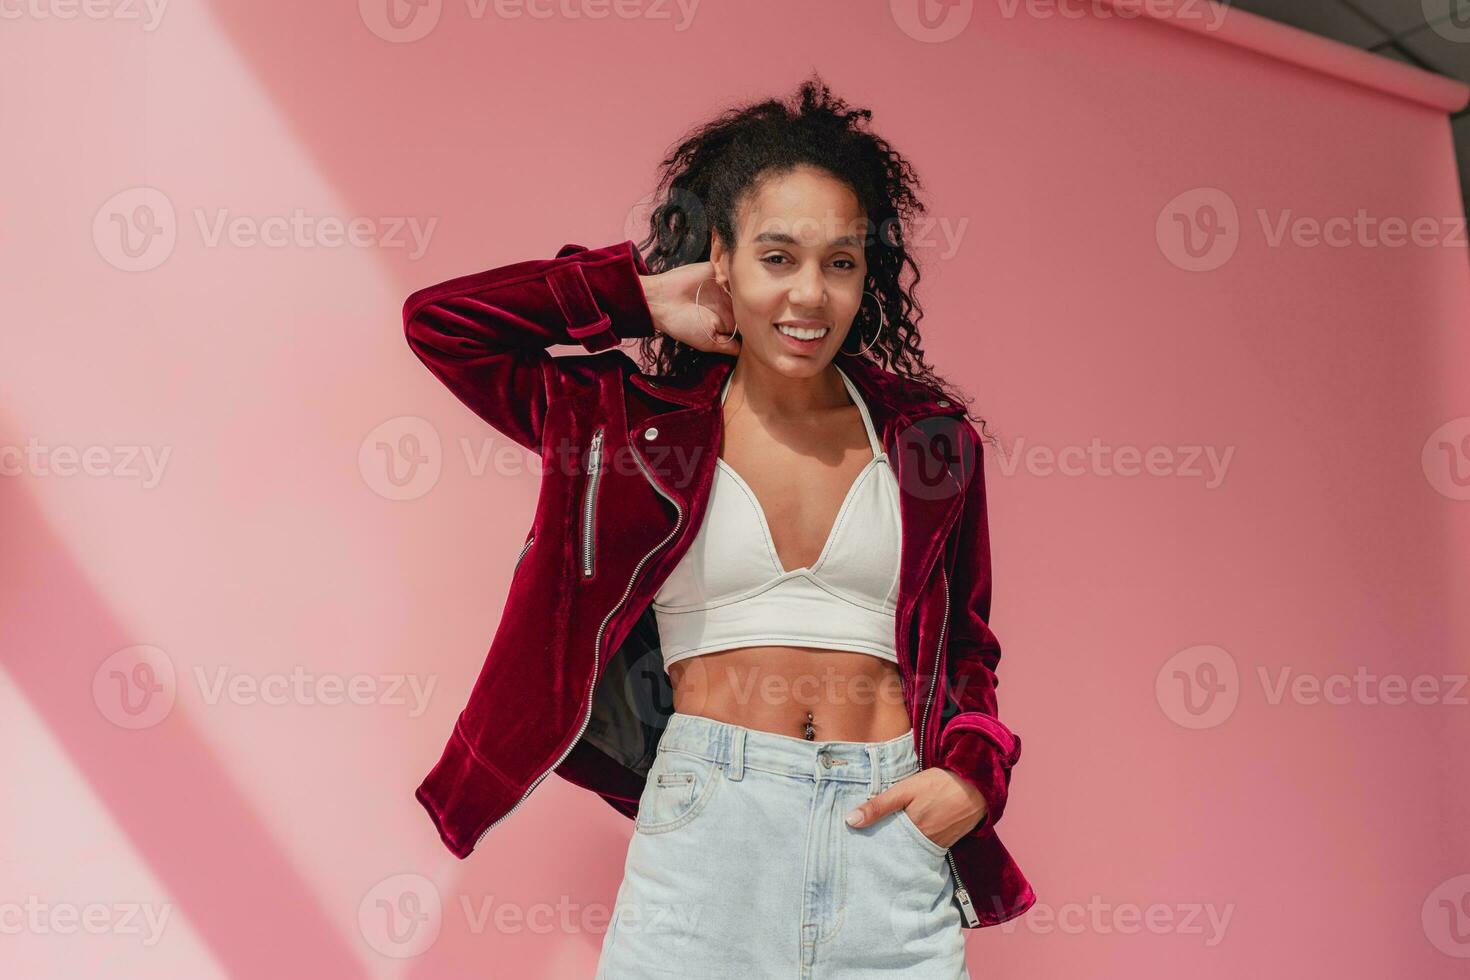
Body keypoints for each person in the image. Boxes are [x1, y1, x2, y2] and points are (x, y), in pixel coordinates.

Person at [404, 74, 1032, 979]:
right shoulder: (623, 427)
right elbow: (441, 326)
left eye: (841, 262)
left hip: (890, 842)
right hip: (711, 839)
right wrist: (638, 298)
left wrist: (971, 778)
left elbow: (968, 650)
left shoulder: (932, 440)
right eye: (777, 257)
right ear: (721, 258)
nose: (809, 295)